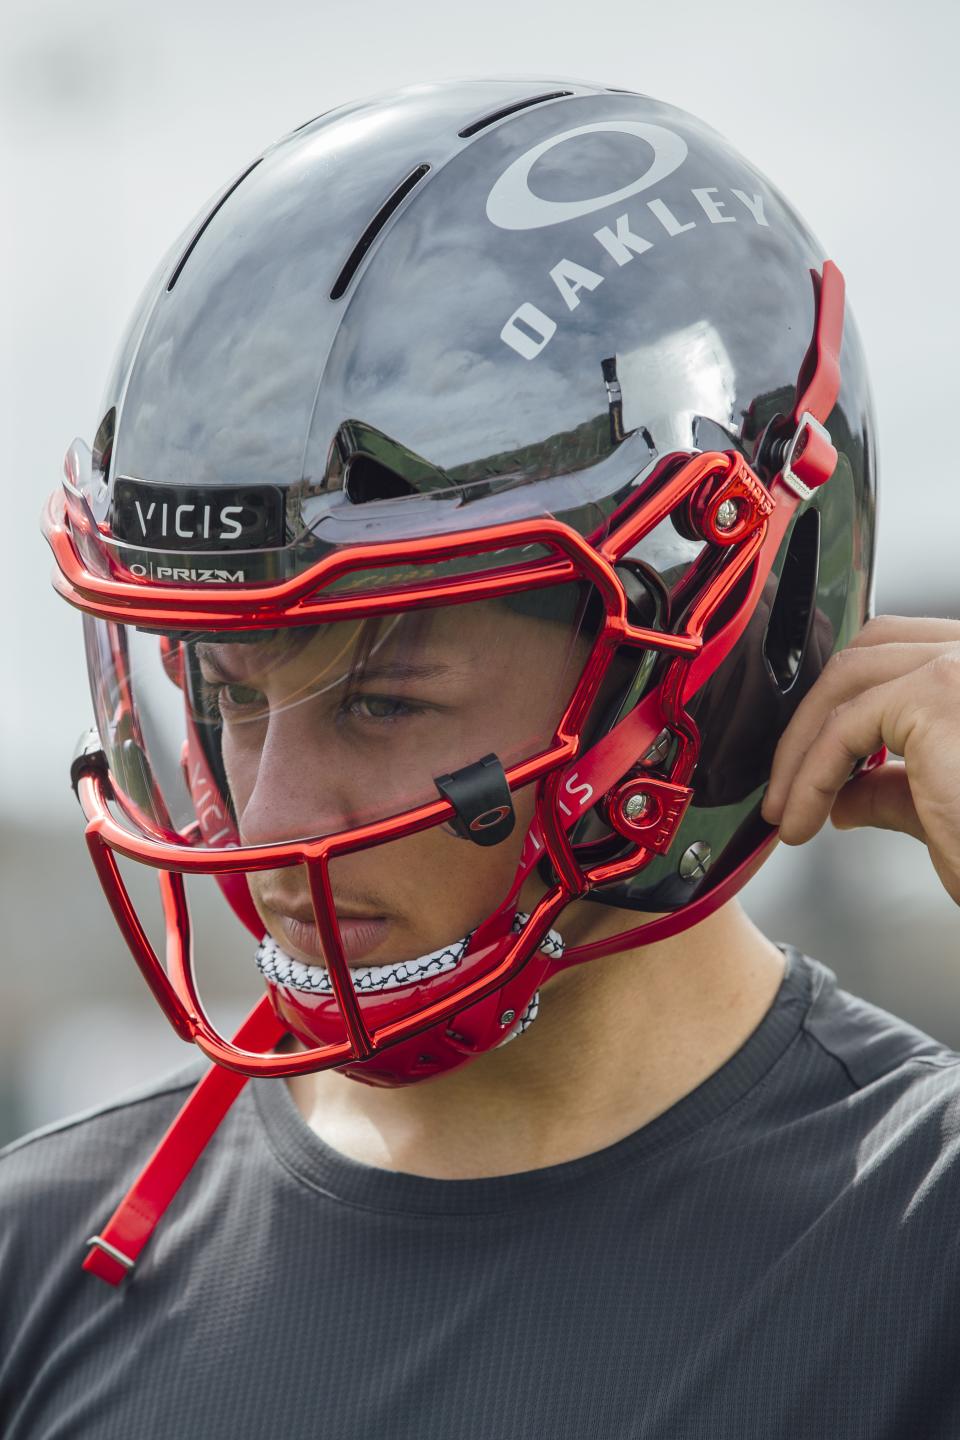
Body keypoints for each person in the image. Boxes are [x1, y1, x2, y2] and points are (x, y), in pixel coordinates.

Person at [3, 76, 960, 1437]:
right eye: (228, 695)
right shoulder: (41, 1261)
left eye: (385, 703)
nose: (267, 820)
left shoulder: (921, 1238)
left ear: (706, 653)